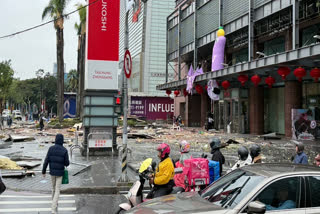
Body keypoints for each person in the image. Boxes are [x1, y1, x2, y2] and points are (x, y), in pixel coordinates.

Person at [42, 134, 69, 214]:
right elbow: (66, 163)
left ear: (56, 139)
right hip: (60, 173)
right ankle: (53, 207)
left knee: (53, 188)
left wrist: (43, 171)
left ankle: (54, 203)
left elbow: (46, 160)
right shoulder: (64, 150)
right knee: (57, 190)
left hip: (52, 172)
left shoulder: (51, 149)